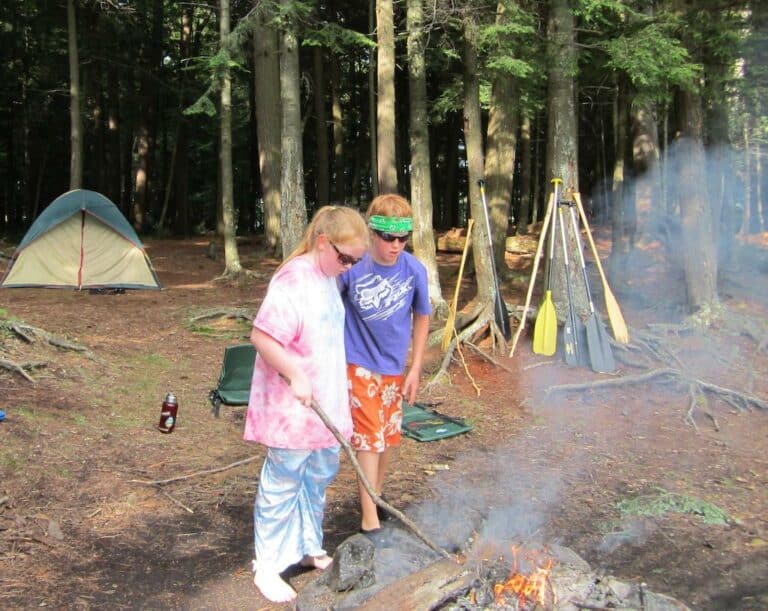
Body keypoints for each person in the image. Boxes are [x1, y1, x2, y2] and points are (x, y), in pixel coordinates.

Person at [244, 205, 369, 603]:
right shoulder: (293, 278)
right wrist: (296, 374)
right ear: (323, 243)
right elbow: (263, 337)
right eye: (345, 258)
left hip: (325, 405)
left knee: (318, 477)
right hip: (291, 409)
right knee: (284, 482)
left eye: (356, 261)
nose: (349, 267)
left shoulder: (329, 277)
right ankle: (267, 566)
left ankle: (307, 545)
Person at [338, 193, 432, 537]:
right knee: (368, 439)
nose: (396, 246)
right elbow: (330, 306)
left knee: (387, 437)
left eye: (402, 239)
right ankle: (369, 522)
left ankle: (373, 497)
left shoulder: (414, 269)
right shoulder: (354, 266)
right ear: (372, 232)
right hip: (357, 362)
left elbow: (422, 316)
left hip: (393, 366)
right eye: (388, 238)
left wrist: (415, 367)